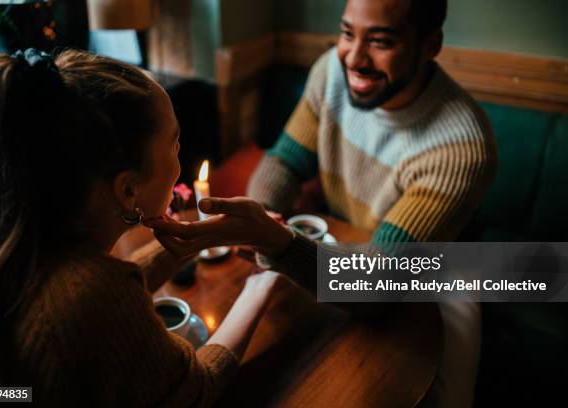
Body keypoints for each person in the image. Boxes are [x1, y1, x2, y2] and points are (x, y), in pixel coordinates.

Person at [150, 0, 498, 407]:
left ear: (430, 45)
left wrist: (279, 243)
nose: (353, 57)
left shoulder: (463, 147)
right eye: (348, 33)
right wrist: (255, 215)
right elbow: (285, 159)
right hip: (333, 252)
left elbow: (377, 286)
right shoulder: (330, 72)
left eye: (381, 41)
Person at [0, 49, 288, 407]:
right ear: (128, 190)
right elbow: (195, 390)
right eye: (174, 144)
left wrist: (200, 236)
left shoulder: (8, 239)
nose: (180, 156)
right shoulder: (96, 291)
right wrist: (261, 284)